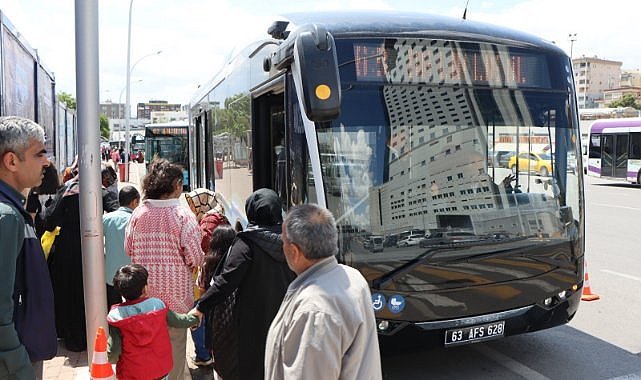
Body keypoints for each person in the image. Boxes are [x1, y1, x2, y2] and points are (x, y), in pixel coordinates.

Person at [264, 204, 382, 380]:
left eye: (283, 241)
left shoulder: (313, 309)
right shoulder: (352, 276)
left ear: (295, 251)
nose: (282, 247)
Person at [190, 188, 296, 380]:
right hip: (287, 316)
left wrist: (201, 307)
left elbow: (225, 282)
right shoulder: (293, 242)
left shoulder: (247, 244)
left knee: (253, 366)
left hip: (252, 320)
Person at [125, 158, 204, 380]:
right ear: (176, 185)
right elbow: (195, 258)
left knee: (147, 352)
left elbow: (128, 248)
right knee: (175, 353)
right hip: (176, 300)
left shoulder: (138, 214)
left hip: (143, 297)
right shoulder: (183, 216)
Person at [0, 116, 57, 379]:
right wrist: (20, 367)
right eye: (39, 154)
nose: (47, 162)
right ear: (11, 161)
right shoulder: (7, 217)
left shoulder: (12, 210)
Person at [43, 164, 119, 352]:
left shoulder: (66, 190)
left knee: (69, 291)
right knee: (92, 290)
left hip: (67, 248)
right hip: (92, 246)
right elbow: (116, 213)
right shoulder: (101, 192)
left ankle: (73, 338)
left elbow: (50, 220)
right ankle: (94, 334)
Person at [107, 264, 200, 380]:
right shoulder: (157, 306)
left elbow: (114, 352)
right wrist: (195, 318)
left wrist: (109, 357)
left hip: (132, 373)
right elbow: (178, 321)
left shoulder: (117, 317)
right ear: (145, 289)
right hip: (160, 370)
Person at [184, 188, 229, 367]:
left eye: (194, 205)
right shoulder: (217, 215)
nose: (192, 210)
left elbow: (202, 247)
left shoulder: (208, 221)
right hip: (217, 271)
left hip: (206, 271)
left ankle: (204, 354)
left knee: (198, 311)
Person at [103, 186, 140, 309]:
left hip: (110, 276)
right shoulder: (137, 220)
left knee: (114, 311)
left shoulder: (106, 219)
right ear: (135, 201)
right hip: (133, 276)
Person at [25, 160, 61, 238]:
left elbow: (31, 214)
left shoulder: (35, 191)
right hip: (57, 228)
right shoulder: (60, 190)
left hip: (41, 229)